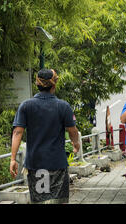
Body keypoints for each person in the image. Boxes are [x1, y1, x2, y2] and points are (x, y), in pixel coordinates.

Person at [10, 69, 80, 204]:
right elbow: (73, 131)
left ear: (37, 84)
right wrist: (75, 144)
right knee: (59, 201)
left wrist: (13, 159)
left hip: (35, 165)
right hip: (57, 164)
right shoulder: (63, 106)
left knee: (39, 201)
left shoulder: (26, 106)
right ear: (54, 85)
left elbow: (17, 132)